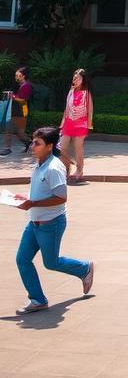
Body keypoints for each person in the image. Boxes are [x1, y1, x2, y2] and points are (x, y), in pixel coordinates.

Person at [11, 125, 94, 313]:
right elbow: (40, 192)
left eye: (37, 143)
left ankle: (84, 269)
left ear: (49, 146)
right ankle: (38, 300)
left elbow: (61, 197)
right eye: (32, 141)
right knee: (22, 259)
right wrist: (27, 199)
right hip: (34, 222)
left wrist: (32, 204)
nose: (32, 146)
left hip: (51, 224)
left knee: (51, 262)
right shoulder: (39, 162)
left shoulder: (54, 167)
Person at [59, 68, 94, 183]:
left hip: (81, 123)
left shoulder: (86, 92)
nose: (75, 80)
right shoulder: (71, 90)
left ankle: (80, 169)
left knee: (78, 147)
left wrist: (89, 124)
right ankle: (66, 168)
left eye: (78, 78)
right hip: (69, 122)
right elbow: (67, 107)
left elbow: (90, 109)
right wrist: (62, 122)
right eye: (74, 78)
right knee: (62, 147)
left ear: (83, 79)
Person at [1, 66, 33, 155]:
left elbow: (23, 100)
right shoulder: (21, 85)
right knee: (14, 132)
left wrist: (13, 97)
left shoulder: (26, 86)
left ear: (23, 76)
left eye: (18, 76)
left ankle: (30, 143)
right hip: (16, 111)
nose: (16, 78)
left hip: (21, 112)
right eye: (16, 76)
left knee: (17, 133)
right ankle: (30, 143)